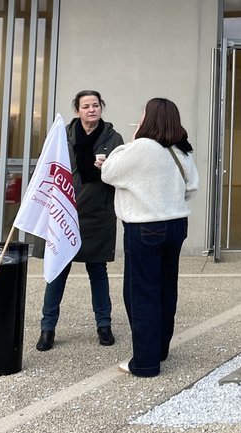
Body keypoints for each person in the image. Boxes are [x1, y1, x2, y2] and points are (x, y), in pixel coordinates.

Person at [101, 97, 199, 378]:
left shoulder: (141, 147)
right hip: (176, 224)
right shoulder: (182, 150)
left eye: (143, 113)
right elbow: (191, 187)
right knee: (166, 289)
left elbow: (108, 172)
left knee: (140, 293)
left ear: (149, 118)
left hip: (144, 227)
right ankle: (159, 349)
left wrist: (128, 141)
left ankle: (144, 362)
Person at [36, 90, 123, 352]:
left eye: (95, 105)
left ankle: (104, 326)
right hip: (66, 210)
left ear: (101, 108)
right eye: (86, 106)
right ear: (77, 110)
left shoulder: (113, 138)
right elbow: (49, 169)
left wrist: (107, 169)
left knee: (97, 271)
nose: (91, 110)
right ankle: (47, 328)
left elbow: (122, 173)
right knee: (57, 271)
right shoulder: (62, 135)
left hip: (97, 214)